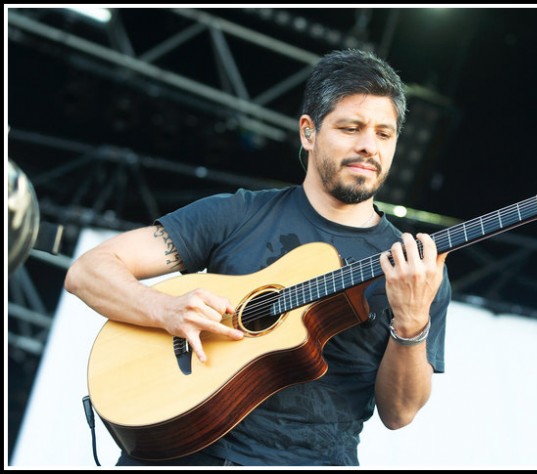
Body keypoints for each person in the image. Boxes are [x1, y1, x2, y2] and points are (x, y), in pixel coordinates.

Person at [64, 48, 452, 466]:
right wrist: (166, 309)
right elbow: (89, 271)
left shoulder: (416, 269)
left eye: (383, 133)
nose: (367, 146)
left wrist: (412, 322)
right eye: (350, 127)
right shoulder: (239, 213)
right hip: (181, 452)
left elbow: (399, 413)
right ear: (308, 132)